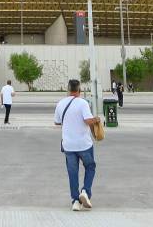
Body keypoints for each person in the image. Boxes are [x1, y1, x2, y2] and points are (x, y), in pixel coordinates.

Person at [54, 79, 98, 212]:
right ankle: (85, 191)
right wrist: (96, 119)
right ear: (79, 90)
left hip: (68, 145)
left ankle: (75, 201)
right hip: (84, 144)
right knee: (90, 167)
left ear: (68, 90)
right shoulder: (83, 103)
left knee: (73, 173)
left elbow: (57, 122)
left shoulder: (61, 103)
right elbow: (87, 120)